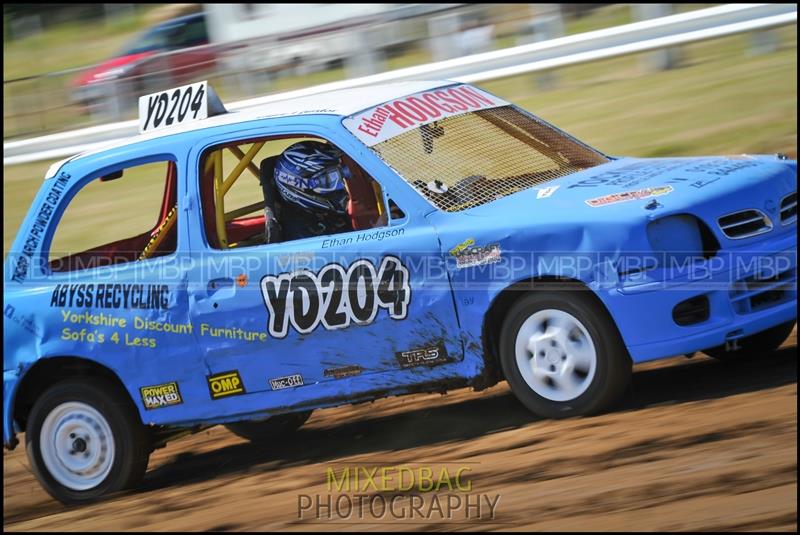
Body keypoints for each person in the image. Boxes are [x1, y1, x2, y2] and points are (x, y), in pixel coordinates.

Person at [270, 140, 354, 241]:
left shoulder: (322, 214)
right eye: (327, 181)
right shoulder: (301, 237)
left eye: (339, 174)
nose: (340, 186)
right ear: (298, 187)